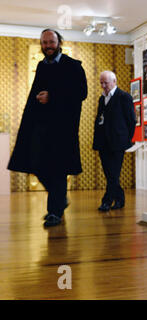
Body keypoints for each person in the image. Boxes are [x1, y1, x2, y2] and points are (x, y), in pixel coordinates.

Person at [8, 29, 88, 227]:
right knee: (35, 164)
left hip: (62, 129)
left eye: (51, 42)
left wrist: (52, 97)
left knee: (57, 169)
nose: (48, 46)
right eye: (44, 43)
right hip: (40, 128)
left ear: (59, 42)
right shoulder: (42, 66)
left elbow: (81, 93)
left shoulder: (73, 66)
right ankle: (59, 199)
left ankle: (54, 212)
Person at [92, 71, 136, 212]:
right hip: (103, 143)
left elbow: (131, 121)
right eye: (101, 83)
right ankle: (120, 198)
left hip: (118, 143)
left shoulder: (124, 97)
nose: (103, 85)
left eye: (106, 82)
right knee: (109, 174)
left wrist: (125, 138)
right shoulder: (102, 99)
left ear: (114, 81)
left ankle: (107, 201)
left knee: (114, 173)